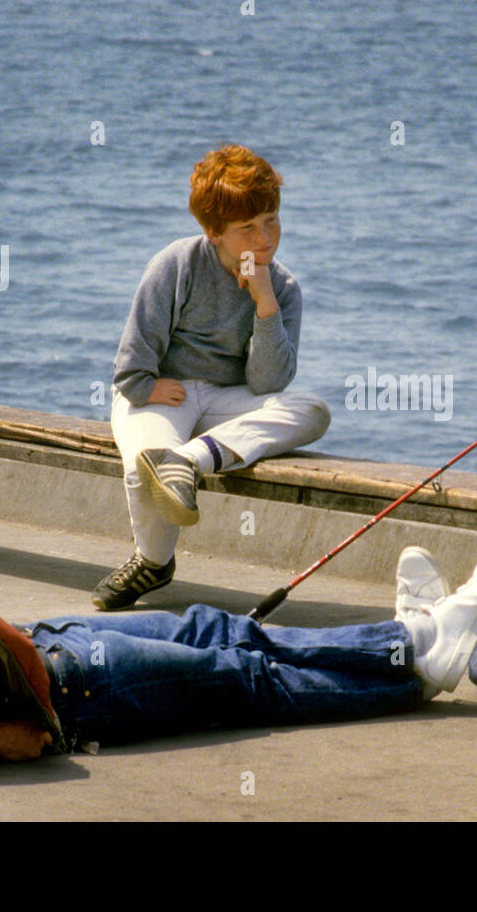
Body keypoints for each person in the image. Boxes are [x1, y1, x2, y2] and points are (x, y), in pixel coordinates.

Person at [0, 400, 477, 773]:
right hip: (62, 696)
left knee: (215, 626)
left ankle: (403, 641)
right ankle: (417, 665)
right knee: (241, 676)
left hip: (39, 654)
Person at [96, 144, 331, 611]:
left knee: (313, 410)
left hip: (230, 403)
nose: (264, 237)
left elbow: (269, 385)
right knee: (146, 460)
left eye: (271, 220)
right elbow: (131, 359)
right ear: (214, 232)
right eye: (247, 227)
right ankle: (154, 562)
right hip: (165, 393)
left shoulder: (283, 286)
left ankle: (192, 460)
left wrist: (265, 305)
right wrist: (147, 387)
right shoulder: (177, 264)